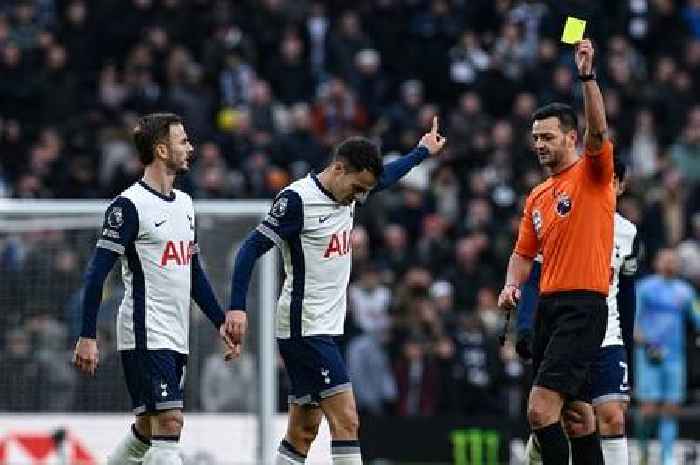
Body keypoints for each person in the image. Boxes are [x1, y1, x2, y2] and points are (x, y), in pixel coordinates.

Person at [227, 117, 446, 465]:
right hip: (305, 326)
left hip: (324, 326)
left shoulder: (350, 190)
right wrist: (237, 307)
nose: (359, 197)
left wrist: (421, 151)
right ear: (339, 169)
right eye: (357, 187)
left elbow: (385, 178)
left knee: (304, 430)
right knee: (347, 420)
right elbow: (248, 250)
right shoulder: (297, 201)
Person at [73, 113, 236, 465]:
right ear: (161, 150)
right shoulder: (128, 206)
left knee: (148, 429)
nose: (190, 148)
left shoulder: (185, 204)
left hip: (175, 332)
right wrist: (87, 334)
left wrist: (219, 321)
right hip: (145, 330)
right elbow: (95, 274)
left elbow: (192, 270)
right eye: (183, 142)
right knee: (169, 422)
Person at [497, 38, 614, 465]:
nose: (540, 144)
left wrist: (587, 76)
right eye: (534, 138)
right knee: (577, 418)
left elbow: (599, 131)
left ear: (571, 137)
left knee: (538, 410)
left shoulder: (593, 175)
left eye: (548, 137)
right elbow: (522, 253)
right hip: (549, 307)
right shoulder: (538, 195)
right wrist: (512, 285)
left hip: (583, 306)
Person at [517, 157, 640, 465]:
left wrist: (627, 342)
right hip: (568, 329)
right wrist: (524, 325)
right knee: (565, 416)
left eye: (612, 181)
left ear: (621, 187)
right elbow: (533, 279)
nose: (605, 186)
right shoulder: (567, 221)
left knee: (612, 416)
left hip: (607, 334)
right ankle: (535, 449)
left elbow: (627, 292)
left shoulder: (628, 233)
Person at [635, 248, 700, 465]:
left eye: (674, 260)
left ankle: (667, 457)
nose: (670, 264)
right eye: (666, 259)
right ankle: (643, 452)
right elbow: (632, 321)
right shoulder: (644, 288)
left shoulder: (686, 291)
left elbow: (697, 316)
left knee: (672, 407)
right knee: (649, 407)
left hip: (675, 357)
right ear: (656, 262)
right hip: (649, 355)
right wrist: (644, 341)